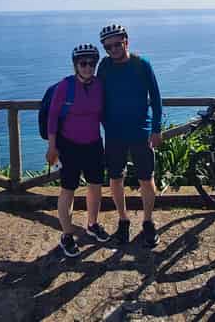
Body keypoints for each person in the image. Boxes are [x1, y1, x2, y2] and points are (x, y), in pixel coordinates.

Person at [96, 23, 163, 248]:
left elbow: (156, 98)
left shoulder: (142, 65)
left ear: (126, 40)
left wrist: (156, 129)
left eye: (117, 44)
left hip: (141, 132)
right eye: (108, 47)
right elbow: (98, 96)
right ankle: (123, 220)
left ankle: (148, 221)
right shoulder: (104, 66)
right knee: (115, 177)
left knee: (146, 178)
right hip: (114, 133)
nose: (113, 50)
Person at [46, 43, 111, 257]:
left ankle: (92, 224)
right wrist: (52, 147)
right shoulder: (65, 86)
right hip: (69, 145)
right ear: (75, 65)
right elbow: (53, 117)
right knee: (68, 190)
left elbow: (105, 113)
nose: (87, 67)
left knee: (95, 186)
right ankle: (66, 234)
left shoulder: (100, 85)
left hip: (93, 144)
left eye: (92, 63)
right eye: (83, 63)